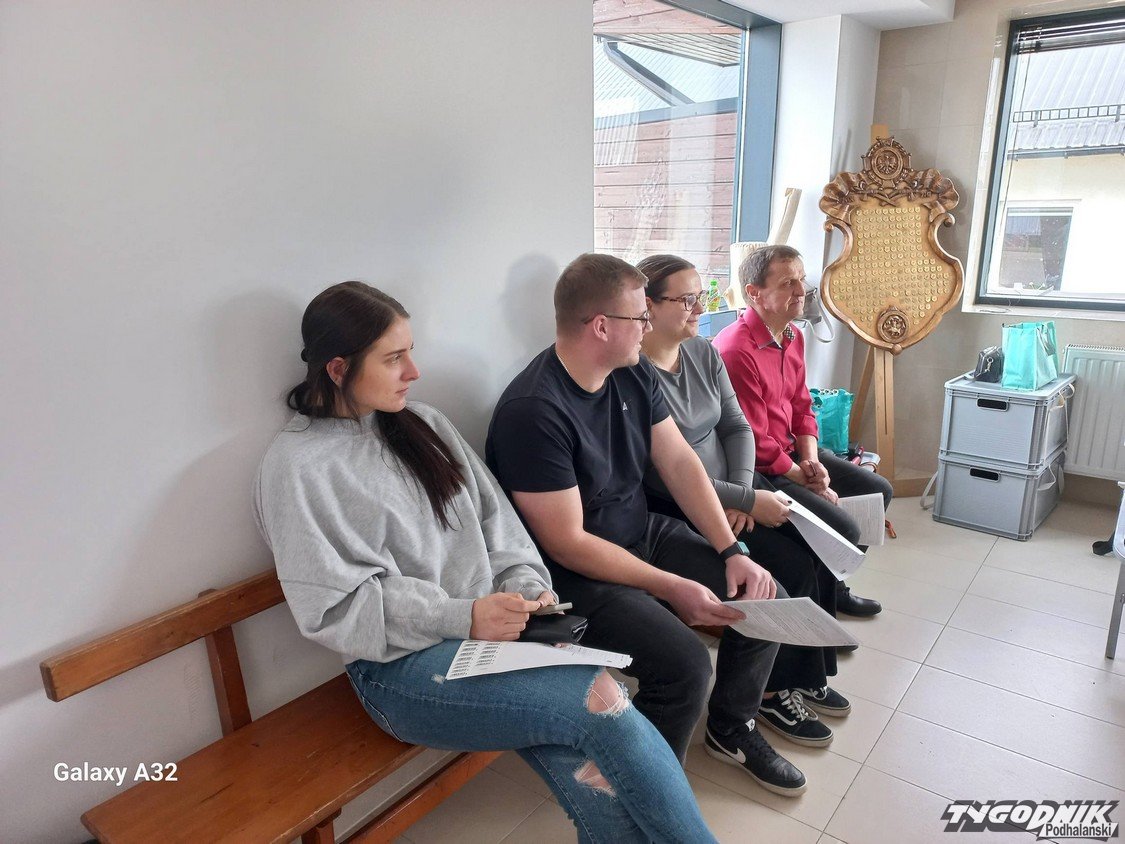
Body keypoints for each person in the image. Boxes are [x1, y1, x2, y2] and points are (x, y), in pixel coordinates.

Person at [254, 281, 717, 844]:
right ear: (337, 368)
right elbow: (334, 607)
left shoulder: (424, 424)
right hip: (399, 668)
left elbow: (500, 528)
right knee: (601, 699)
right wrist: (464, 616)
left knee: (596, 771)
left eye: (410, 352)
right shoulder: (297, 467)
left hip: (495, 639)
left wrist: (529, 590)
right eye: (394, 358)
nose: (414, 371)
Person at [487, 254, 808, 797]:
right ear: (601, 326)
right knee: (685, 666)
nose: (648, 325)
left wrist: (731, 550)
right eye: (640, 316)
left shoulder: (631, 370)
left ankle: (731, 729)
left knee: (763, 596)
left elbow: (680, 462)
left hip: (639, 532)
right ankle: (643, 797)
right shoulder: (533, 411)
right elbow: (567, 544)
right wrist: (672, 586)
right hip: (573, 575)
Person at [637, 254, 850, 747]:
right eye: (687, 299)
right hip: (682, 504)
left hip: (735, 487)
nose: (700, 308)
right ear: (647, 306)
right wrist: (747, 499)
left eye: (700, 297)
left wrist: (744, 493)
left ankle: (799, 676)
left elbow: (736, 427)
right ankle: (761, 700)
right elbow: (664, 474)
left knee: (814, 548)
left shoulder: (701, 352)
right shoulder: (634, 375)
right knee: (783, 572)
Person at [713, 245, 891, 617]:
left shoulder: (793, 335)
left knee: (877, 490)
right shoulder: (736, 349)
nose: (801, 291)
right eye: (787, 283)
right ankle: (822, 607)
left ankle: (834, 587)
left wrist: (812, 462)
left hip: (792, 453)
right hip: (758, 466)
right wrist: (806, 478)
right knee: (839, 526)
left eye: (801, 280)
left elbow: (801, 406)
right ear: (754, 293)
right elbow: (753, 439)